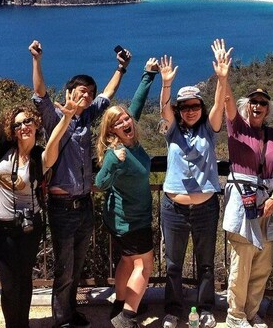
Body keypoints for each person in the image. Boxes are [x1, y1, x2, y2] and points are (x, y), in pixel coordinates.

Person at [0, 62, 84, 328]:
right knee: (9, 284)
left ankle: (23, 325)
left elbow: (55, 141)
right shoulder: (4, 147)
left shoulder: (40, 157)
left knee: (25, 280)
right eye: (18, 124)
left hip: (30, 227)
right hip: (0, 227)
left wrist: (66, 117)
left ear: (35, 123)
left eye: (28, 121)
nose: (23, 127)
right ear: (13, 128)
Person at [29, 39, 131, 328]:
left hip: (84, 204)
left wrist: (121, 69)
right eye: (81, 91)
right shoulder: (55, 117)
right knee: (64, 267)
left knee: (77, 264)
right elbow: (39, 94)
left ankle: (70, 311)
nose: (86, 95)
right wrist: (37, 59)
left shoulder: (88, 117)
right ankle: (62, 318)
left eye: (89, 92)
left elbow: (108, 94)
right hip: (61, 207)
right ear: (69, 92)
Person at [158, 40, 231, 328]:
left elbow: (218, 104)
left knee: (206, 264)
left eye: (194, 106)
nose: (190, 111)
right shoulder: (172, 129)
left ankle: (205, 309)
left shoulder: (209, 130)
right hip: (173, 208)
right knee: (173, 265)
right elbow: (165, 110)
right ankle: (173, 311)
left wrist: (222, 78)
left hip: (205, 208)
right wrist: (166, 85)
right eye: (185, 107)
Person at [93, 58, 160, 328]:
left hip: (124, 218)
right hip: (131, 220)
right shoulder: (116, 153)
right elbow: (100, 182)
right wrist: (113, 162)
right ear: (112, 131)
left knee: (128, 261)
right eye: (118, 122)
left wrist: (148, 75)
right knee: (144, 266)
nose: (125, 121)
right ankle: (127, 316)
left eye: (126, 118)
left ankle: (121, 303)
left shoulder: (131, 141)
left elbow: (137, 105)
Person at [220, 58, 273, 328]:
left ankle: (250, 312)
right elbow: (227, 103)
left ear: (268, 109)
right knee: (242, 261)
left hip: (266, 202)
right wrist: (224, 77)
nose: (257, 106)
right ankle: (235, 315)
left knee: (262, 264)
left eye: (263, 103)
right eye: (254, 102)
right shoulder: (238, 127)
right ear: (248, 106)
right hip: (243, 200)